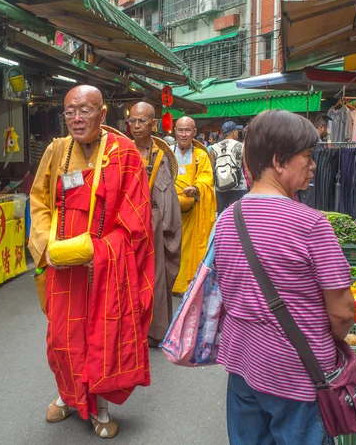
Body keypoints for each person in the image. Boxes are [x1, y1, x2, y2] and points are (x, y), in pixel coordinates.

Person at [213, 110, 355, 444]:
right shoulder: (312, 225)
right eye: (307, 156)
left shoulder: (226, 218)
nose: (313, 164)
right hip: (298, 374)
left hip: (242, 363)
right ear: (279, 160)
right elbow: (343, 311)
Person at [28, 85, 154, 439]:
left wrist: (99, 252)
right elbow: (38, 202)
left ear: (102, 115)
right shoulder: (56, 152)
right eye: (70, 111)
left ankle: (99, 407)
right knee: (62, 339)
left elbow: (137, 219)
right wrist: (47, 247)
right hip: (63, 267)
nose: (77, 118)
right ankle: (68, 395)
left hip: (104, 268)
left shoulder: (125, 154)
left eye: (85, 110)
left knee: (101, 337)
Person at [128, 102, 182, 347]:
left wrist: (164, 226)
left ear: (153, 124)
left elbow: (166, 197)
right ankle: (127, 331)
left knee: (155, 276)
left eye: (142, 121)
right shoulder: (122, 151)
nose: (136, 126)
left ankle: (154, 330)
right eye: (132, 121)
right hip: (124, 226)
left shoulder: (159, 157)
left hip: (153, 225)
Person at [170, 116, 216, 295]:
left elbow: (207, 180)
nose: (183, 134)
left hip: (192, 211)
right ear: (175, 131)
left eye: (187, 130)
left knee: (189, 248)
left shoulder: (201, 155)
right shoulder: (168, 153)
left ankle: (187, 284)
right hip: (171, 212)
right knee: (172, 246)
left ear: (194, 132)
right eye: (180, 130)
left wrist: (196, 188)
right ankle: (171, 283)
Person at [210, 121, 248, 214]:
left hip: (220, 187)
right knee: (239, 215)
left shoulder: (214, 148)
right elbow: (247, 168)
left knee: (223, 215)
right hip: (239, 186)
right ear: (234, 132)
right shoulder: (241, 146)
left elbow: (211, 171)